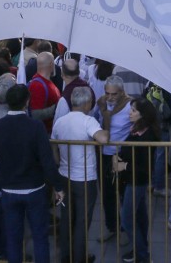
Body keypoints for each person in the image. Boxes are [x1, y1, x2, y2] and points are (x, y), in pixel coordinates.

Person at [0, 84, 65, 263]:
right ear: (27, 102)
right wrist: (59, 186)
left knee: (13, 239)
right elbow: (47, 160)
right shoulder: (36, 126)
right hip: (34, 189)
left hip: (9, 190)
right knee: (40, 237)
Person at [51, 86, 109, 263]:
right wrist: (106, 123)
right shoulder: (88, 121)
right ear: (87, 103)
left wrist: (59, 161)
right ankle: (79, 258)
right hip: (84, 179)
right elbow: (104, 139)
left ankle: (66, 256)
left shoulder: (60, 121)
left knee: (67, 218)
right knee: (82, 222)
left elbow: (53, 144)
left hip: (65, 175)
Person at [115, 98, 159, 263]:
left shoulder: (147, 135)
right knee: (140, 216)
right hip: (133, 180)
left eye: (133, 110)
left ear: (143, 115)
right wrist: (119, 158)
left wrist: (123, 166)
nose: (130, 113)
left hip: (137, 180)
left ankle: (142, 255)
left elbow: (144, 166)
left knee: (127, 218)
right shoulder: (137, 129)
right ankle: (140, 249)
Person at [96, 75, 131, 242]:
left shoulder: (130, 105)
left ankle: (127, 227)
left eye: (114, 94)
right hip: (104, 155)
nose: (109, 97)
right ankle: (113, 227)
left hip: (121, 155)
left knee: (125, 193)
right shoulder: (101, 103)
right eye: (107, 93)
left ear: (122, 93)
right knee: (107, 193)